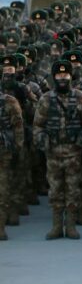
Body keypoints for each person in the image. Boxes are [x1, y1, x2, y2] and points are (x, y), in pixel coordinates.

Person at [33, 60, 82, 241]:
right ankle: (57, 226)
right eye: (59, 75)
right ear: (54, 77)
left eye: (65, 75)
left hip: (73, 152)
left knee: (73, 189)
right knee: (55, 190)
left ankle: (71, 226)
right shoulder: (45, 99)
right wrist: (44, 143)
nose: (62, 78)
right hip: (52, 153)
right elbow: (38, 125)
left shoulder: (81, 97)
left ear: (70, 76)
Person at [0, 68, 25, 241]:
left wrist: (17, 149)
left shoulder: (9, 102)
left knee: (3, 189)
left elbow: (18, 128)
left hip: (4, 151)